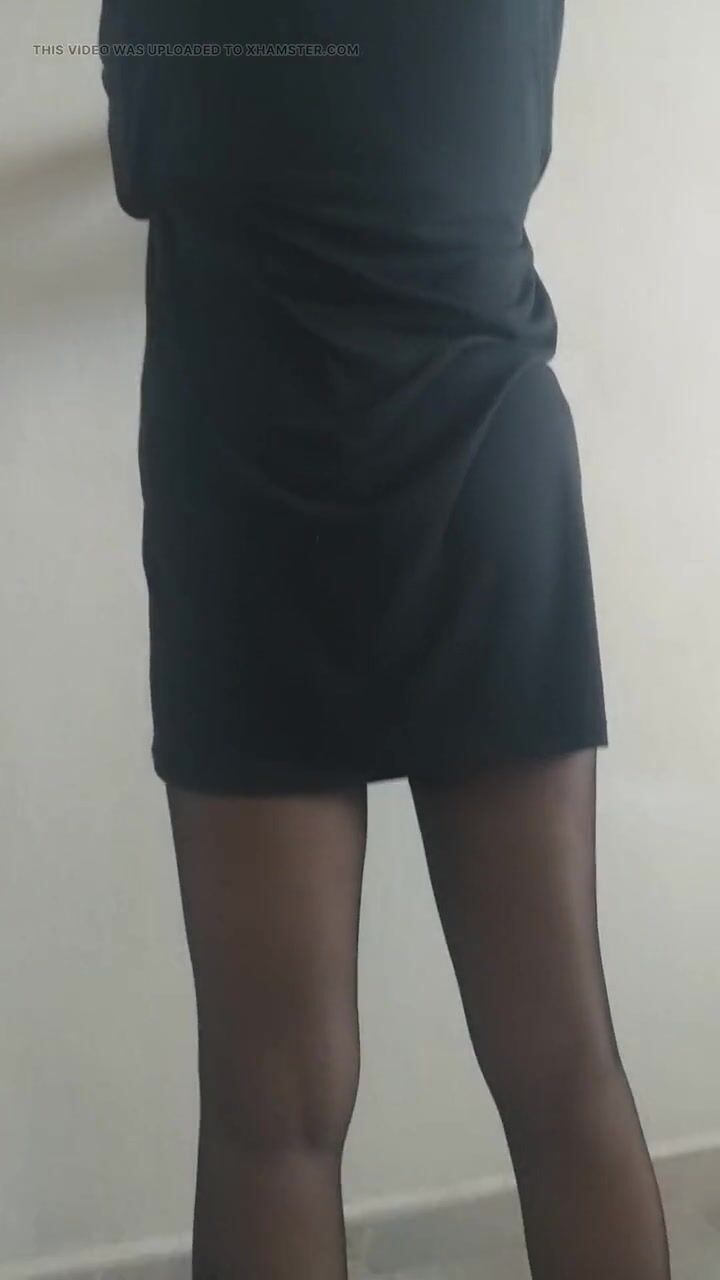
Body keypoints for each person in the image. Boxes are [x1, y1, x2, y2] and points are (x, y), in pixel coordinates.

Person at [99, 2, 671, 1276]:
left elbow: (148, 160)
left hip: (250, 486)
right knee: (562, 1063)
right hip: (482, 463)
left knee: (271, 1116)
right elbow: (510, 134)